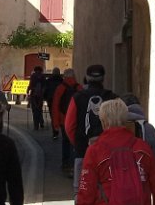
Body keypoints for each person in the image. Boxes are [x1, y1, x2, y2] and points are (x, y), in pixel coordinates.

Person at [65, 64, 117, 194]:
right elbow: (119, 124)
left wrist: (78, 143)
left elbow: (69, 126)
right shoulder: (112, 98)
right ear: (103, 78)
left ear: (87, 78)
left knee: (82, 192)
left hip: (83, 152)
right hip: (108, 153)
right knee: (107, 192)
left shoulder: (77, 97)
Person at [51, 68, 81, 176]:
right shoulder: (79, 88)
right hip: (77, 120)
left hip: (64, 120)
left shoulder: (60, 88)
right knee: (75, 143)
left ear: (64, 76)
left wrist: (55, 123)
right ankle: (74, 165)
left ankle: (66, 164)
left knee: (65, 142)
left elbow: (55, 106)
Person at [42, 67, 63, 139]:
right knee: (61, 116)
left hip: (51, 101)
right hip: (61, 101)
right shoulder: (62, 81)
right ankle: (62, 130)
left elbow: (45, 90)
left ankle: (55, 132)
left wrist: (45, 98)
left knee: (53, 116)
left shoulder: (49, 81)